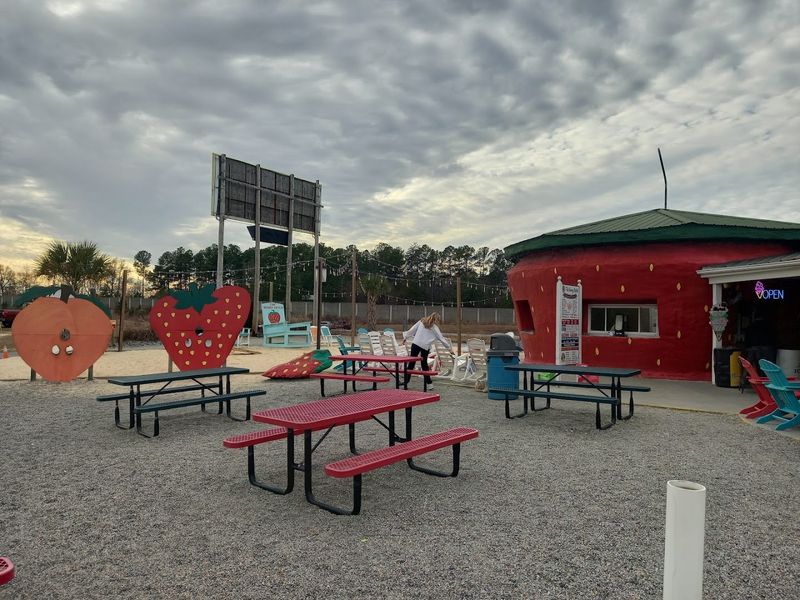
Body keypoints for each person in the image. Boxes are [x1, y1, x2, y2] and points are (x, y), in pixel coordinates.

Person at [403, 312, 452, 388]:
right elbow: (442, 339)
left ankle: (406, 382)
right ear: (436, 320)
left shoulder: (421, 321)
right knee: (424, 365)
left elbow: (412, 329)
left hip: (415, 344)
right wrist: (449, 348)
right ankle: (429, 384)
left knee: (411, 363)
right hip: (425, 347)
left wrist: (405, 337)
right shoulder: (435, 328)